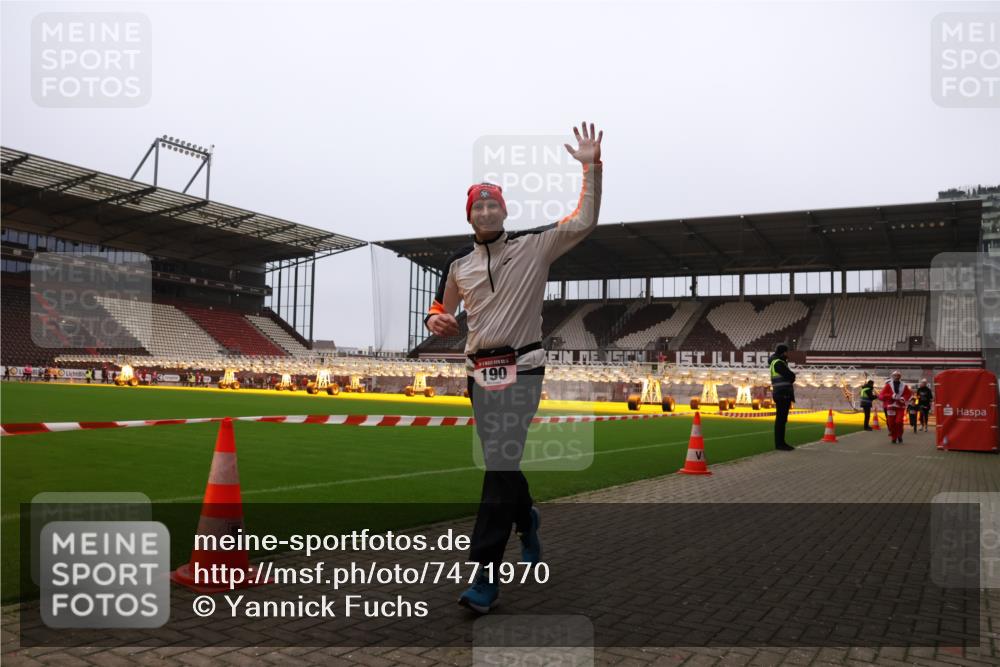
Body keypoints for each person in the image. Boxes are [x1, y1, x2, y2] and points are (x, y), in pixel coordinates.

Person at [425, 122, 603, 614]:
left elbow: (584, 220)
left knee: (496, 466)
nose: (486, 211)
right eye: (478, 206)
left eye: (493, 204)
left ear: (505, 210)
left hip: (523, 367)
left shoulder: (534, 246)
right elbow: (441, 308)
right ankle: (527, 520)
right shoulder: (458, 265)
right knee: (503, 465)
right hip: (479, 373)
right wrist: (437, 318)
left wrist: (590, 167)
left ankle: (483, 575)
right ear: (470, 215)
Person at [768, 344, 796, 451]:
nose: (787, 354)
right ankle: (780, 444)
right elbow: (790, 376)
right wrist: (792, 376)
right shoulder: (778, 363)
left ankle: (781, 443)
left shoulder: (777, 362)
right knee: (781, 420)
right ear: (783, 352)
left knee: (781, 419)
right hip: (782, 393)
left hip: (781, 393)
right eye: (786, 352)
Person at [878, 370, 913, 444]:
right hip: (890, 406)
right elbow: (881, 396)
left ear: (900, 377)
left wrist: (903, 398)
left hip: (900, 406)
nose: (896, 377)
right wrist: (891, 396)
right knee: (891, 423)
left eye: (898, 376)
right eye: (895, 375)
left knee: (899, 422)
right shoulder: (888, 385)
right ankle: (894, 437)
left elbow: (908, 394)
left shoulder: (904, 385)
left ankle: (899, 435)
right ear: (892, 376)